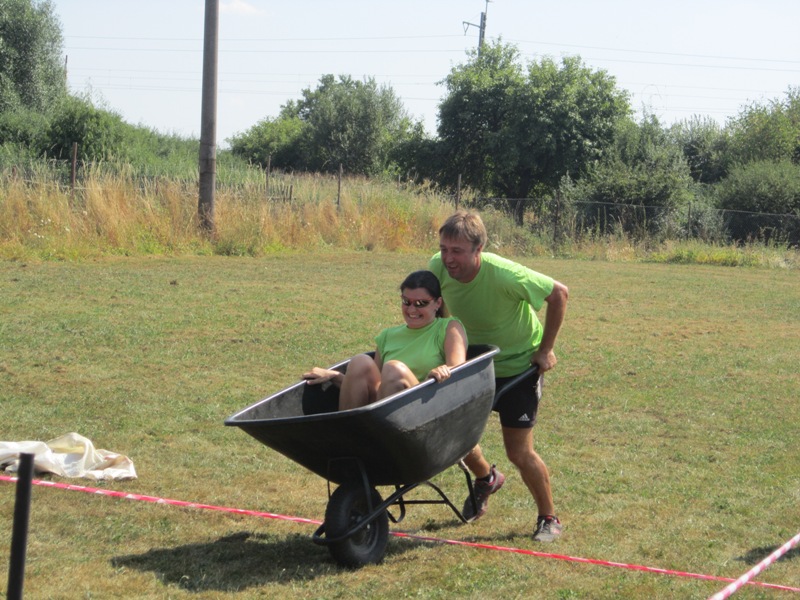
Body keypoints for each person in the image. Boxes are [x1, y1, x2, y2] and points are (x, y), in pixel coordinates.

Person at [428, 211, 569, 542]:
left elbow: (559, 294)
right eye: (444, 249)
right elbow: (435, 305)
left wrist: (546, 349)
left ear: (479, 249)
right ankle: (486, 478)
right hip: (474, 364)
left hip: (518, 367)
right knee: (453, 434)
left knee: (518, 452)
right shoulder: (437, 266)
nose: (448, 258)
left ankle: (549, 518)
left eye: (457, 251)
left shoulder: (505, 274)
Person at [303, 270, 468, 410]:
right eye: (406, 302)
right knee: (360, 361)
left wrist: (434, 377)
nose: (412, 309)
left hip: (425, 406)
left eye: (420, 303)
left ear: (437, 303)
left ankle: (376, 432)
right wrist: (335, 376)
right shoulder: (388, 336)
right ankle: (350, 431)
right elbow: (374, 387)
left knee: (393, 369)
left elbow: (458, 370)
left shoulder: (448, 328)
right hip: (383, 408)